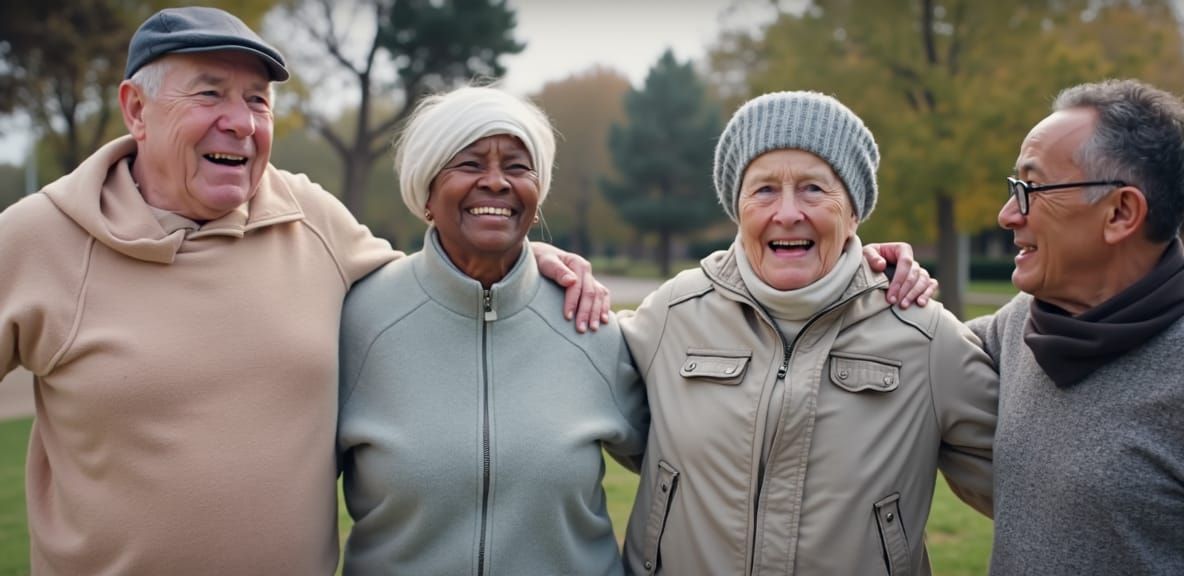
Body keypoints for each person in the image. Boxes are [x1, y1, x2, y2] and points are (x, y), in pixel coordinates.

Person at [0, 7, 607, 575]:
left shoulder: (310, 217)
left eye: (257, 101)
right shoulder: (38, 238)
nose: (239, 122)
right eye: (210, 92)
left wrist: (519, 253)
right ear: (136, 108)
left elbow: (433, 283)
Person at [620, 91, 998, 575]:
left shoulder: (924, 338)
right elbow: (566, 360)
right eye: (763, 190)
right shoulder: (672, 313)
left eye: (814, 189)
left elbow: (1043, 487)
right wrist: (528, 262)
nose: (788, 212)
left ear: (855, 211)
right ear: (737, 206)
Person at [336, 86, 648, 575]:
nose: (497, 182)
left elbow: (685, 462)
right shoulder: (358, 321)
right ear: (426, 194)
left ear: (537, 197)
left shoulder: (588, 323)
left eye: (518, 167)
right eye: (470, 164)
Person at [965, 79, 1184, 575]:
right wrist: (881, 270)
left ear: (1120, 213)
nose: (1006, 215)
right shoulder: (1018, 324)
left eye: (1030, 188)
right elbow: (918, 344)